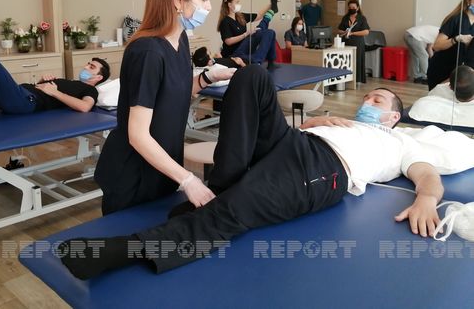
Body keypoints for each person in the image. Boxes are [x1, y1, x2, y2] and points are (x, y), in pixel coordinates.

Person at [58, 64, 474, 280]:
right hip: (293, 142)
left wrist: (426, 200)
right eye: (367, 97)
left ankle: (120, 252)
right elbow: (284, 127)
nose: (368, 101)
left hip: (323, 170)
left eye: (377, 100)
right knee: (253, 76)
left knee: (235, 211)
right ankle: (224, 184)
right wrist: (316, 123)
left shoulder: (401, 142)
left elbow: (427, 176)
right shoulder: (343, 122)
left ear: (394, 116)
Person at [94, 0, 235, 215]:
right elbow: (138, 135)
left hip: (163, 169)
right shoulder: (147, 52)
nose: (208, 6)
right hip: (133, 178)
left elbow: (172, 94)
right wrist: (188, 179)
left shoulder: (180, 40)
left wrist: (207, 78)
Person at [427, 0, 474, 90]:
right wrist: (456, 39)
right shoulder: (455, 19)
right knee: (437, 96)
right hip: (441, 69)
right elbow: (437, 46)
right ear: (468, 0)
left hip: (459, 73)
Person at [216, 0, 278, 67]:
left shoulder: (240, 16)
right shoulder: (225, 21)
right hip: (235, 54)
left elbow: (258, 15)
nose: (239, 4)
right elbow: (228, 41)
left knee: (269, 32)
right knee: (262, 29)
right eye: (237, 2)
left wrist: (271, 4)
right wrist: (246, 34)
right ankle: (257, 60)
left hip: (245, 48)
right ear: (229, 5)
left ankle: (273, 10)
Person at [337, 0, 370, 84]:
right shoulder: (345, 18)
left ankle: (357, 79)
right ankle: (346, 78)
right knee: (346, 60)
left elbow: (366, 32)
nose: (351, 9)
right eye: (350, 7)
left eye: (353, 7)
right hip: (346, 43)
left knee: (357, 60)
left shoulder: (362, 18)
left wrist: (353, 33)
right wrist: (345, 32)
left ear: (357, 8)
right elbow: (339, 30)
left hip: (357, 43)